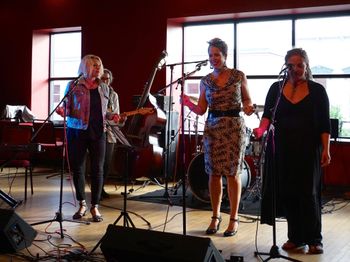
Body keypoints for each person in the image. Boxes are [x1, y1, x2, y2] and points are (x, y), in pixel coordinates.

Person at [253, 48, 331, 254]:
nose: (295, 69)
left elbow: (324, 124)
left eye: (300, 65)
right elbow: (268, 115)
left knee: (308, 193)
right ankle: (295, 237)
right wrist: (260, 130)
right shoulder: (276, 88)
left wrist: (327, 149)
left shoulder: (317, 91)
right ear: (285, 66)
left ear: (306, 66)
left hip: (308, 149)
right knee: (288, 193)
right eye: (291, 65)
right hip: (282, 148)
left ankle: (314, 238)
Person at [182, 38, 255, 237]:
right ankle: (215, 216)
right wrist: (188, 103)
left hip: (233, 128)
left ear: (225, 56)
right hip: (213, 128)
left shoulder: (239, 76)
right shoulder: (205, 81)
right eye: (210, 55)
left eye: (217, 55)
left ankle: (233, 217)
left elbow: (247, 99)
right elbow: (201, 109)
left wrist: (248, 107)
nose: (213, 58)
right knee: (213, 173)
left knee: (233, 173)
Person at [56, 54, 122, 222]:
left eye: (99, 65)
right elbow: (68, 108)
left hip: (98, 131)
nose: (98, 68)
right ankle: (82, 203)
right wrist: (64, 112)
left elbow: (105, 112)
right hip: (77, 130)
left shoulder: (104, 88)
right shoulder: (73, 85)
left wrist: (112, 116)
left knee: (98, 169)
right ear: (85, 67)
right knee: (78, 168)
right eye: (94, 65)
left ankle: (95, 207)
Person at [100, 68, 126, 200]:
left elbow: (116, 115)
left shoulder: (114, 95)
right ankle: (96, 190)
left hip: (110, 133)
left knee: (106, 163)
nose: (105, 81)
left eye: (107, 79)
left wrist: (119, 119)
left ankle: (101, 188)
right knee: (97, 163)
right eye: (102, 78)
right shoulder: (96, 92)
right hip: (98, 132)